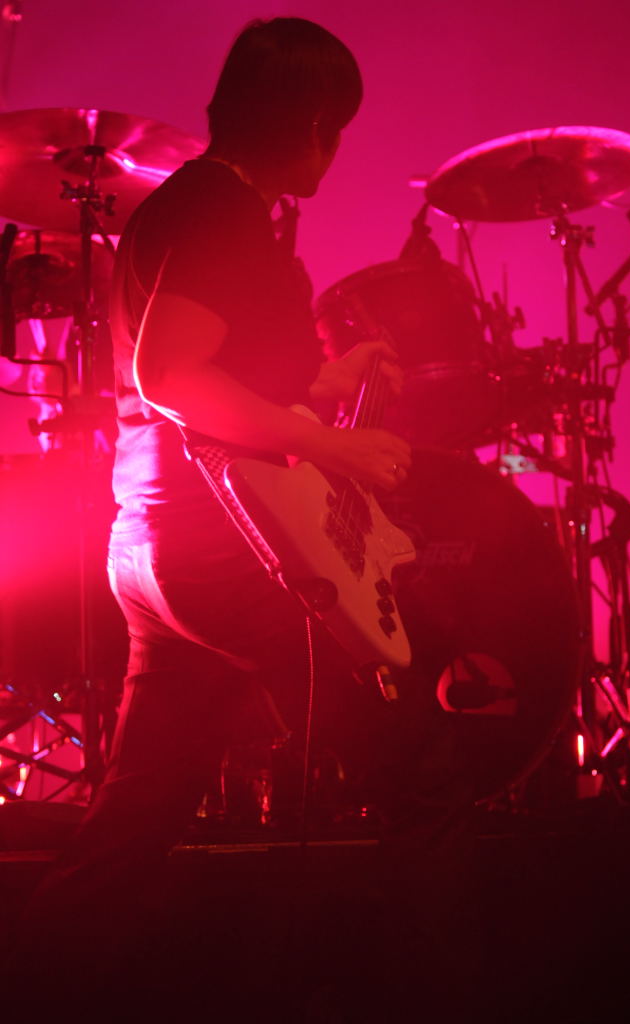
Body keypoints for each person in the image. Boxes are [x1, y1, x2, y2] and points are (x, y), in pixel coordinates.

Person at [11, 16, 417, 1012]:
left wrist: (326, 382)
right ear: (313, 124)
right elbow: (171, 375)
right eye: (337, 128)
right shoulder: (224, 215)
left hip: (156, 541)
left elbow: (223, 374)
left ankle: (34, 989)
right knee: (418, 747)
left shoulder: (182, 205)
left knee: (133, 823)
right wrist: (333, 446)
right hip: (222, 547)